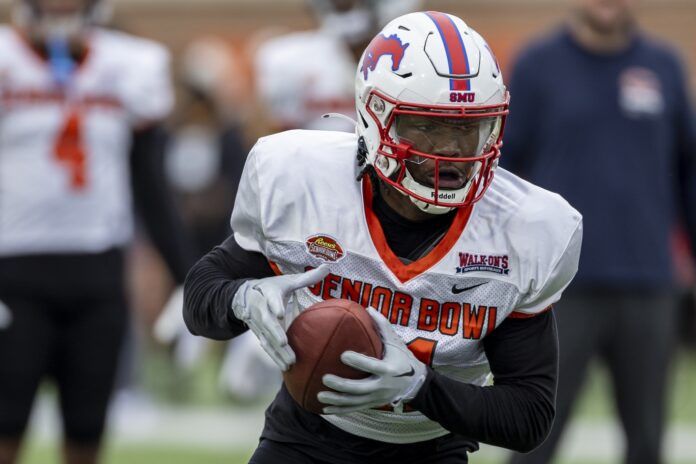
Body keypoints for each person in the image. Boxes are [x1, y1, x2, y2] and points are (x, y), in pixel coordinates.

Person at [184, 11, 583, 463]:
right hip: (306, 437)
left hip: (428, 445)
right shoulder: (301, 177)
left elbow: (528, 417)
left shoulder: (525, 228)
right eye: (428, 124)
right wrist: (243, 299)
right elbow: (201, 299)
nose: (452, 148)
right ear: (376, 118)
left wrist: (421, 387)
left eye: (468, 126)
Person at [502, 1, 696, 463]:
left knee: (647, 440)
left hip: (649, 284)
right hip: (560, 287)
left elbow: (689, 171)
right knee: (537, 434)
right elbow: (505, 174)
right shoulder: (537, 64)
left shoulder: (663, 66)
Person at [0, 1, 194, 463]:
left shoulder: (130, 65)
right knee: (5, 423)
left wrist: (188, 275)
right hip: (12, 270)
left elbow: (150, 183)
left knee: (88, 428)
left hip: (98, 271)